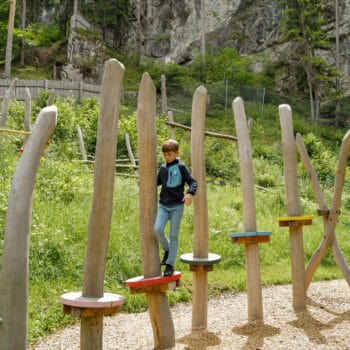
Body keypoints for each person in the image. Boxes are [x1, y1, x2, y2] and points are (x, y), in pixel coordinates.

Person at [154, 139, 197, 277]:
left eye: (170, 154)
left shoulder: (181, 167)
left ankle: (170, 265)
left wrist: (190, 193)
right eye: (165, 155)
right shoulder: (162, 168)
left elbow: (192, 181)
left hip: (177, 207)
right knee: (157, 229)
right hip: (163, 206)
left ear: (177, 153)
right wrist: (143, 182)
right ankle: (167, 249)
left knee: (174, 235)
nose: (167, 157)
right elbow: (156, 182)